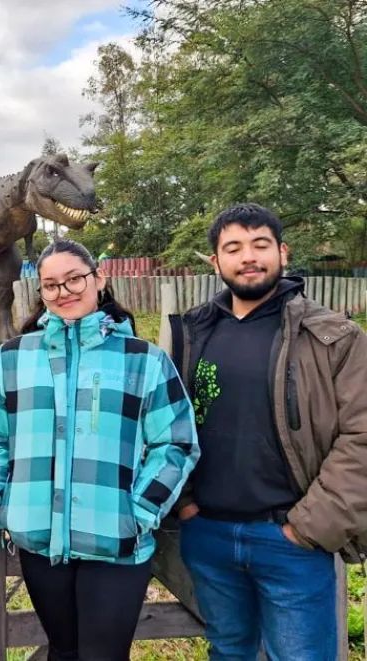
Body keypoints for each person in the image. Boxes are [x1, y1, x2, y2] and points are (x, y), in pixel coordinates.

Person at [0, 238, 199, 661]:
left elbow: (176, 441)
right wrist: (0, 497)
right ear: (40, 292)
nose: (64, 292)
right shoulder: (12, 359)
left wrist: (142, 509)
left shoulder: (142, 360)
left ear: (99, 278)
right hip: (40, 540)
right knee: (62, 651)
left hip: (115, 540)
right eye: (51, 285)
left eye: (74, 279)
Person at [170, 203, 367, 661]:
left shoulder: (332, 337)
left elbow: (361, 437)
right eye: (233, 248)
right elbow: (168, 423)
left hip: (291, 540)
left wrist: (308, 527)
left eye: (260, 245)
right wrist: (185, 506)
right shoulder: (193, 333)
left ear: (282, 252)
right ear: (215, 262)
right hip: (209, 534)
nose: (248, 257)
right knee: (229, 651)